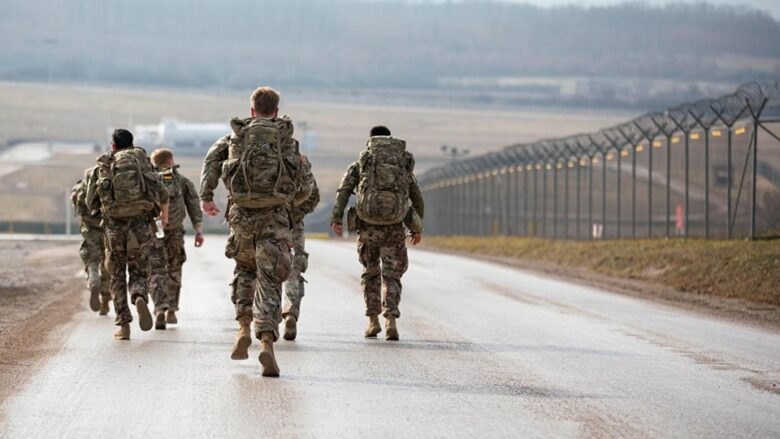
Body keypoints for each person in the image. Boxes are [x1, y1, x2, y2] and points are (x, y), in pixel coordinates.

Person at [200, 86, 313, 376]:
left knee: (245, 271)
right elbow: (305, 186)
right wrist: (288, 204)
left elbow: (211, 162)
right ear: (276, 111)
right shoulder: (287, 142)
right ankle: (266, 343)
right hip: (275, 218)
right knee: (271, 279)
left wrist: (207, 197)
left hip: (242, 217)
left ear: (252, 110)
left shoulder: (235, 137)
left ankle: (242, 327)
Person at [330, 125, 424, 341]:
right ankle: (391, 318)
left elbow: (344, 190)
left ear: (370, 141)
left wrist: (336, 218)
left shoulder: (361, 164)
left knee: (370, 273)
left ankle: (373, 320)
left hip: (367, 228)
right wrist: (417, 228)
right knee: (392, 275)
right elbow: (416, 197)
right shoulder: (401, 166)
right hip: (394, 229)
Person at [85, 129, 169, 340]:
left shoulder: (103, 165)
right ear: (132, 144)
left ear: (113, 146)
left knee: (117, 275)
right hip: (140, 225)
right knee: (138, 270)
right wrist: (163, 219)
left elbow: (90, 202)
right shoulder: (142, 161)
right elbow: (163, 193)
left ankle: (124, 325)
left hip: (114, 227)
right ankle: (139, 296)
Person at [149, 148, 204, 329]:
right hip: (175, 232)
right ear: (171, 161)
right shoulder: (182, 182)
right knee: (174, 269)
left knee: (156, 270)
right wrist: (198, 230)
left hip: (153, 232)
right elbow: (194, 206)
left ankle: (159, 308)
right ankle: (171, 310)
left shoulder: (149, 182)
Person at [281, 158, 319, 341]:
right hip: (294, 225)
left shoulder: (260, 156)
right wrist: (297, 213)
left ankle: (266, 319)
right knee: (293, 270)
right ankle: (290, 312)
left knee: (264, 270)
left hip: (266, 223)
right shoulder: (300, 161)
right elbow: (314, 195)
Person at [71, 166, 111, 315]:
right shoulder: (106, 188)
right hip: (107, 230)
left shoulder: (79, 190)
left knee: (92, 260)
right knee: (108, 263)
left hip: (89, 230)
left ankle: (93, 279)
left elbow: (78, 209)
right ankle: (105, 301)